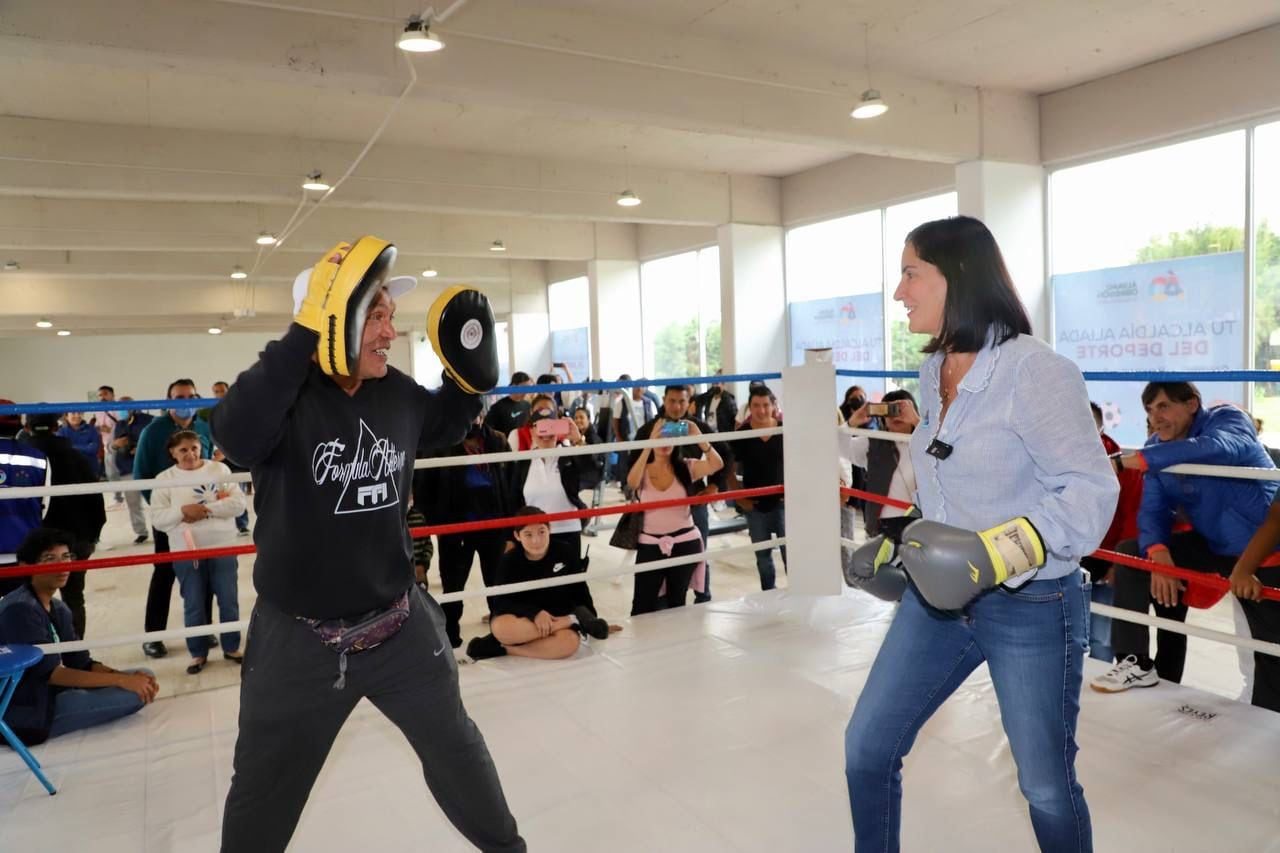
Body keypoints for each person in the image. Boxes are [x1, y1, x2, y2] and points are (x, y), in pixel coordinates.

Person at [210, 237, 524, 852]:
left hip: (399, 625)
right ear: (332, 321)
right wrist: (304, 334)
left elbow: (443, 423)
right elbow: (236, 434)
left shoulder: (395, 391)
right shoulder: (283, 402)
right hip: (298, 642)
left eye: (390, 315)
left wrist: (469, 378)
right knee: (263, 792)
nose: (390, 330)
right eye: (375, 315)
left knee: (458, 752)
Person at [844, 216, 1117, 853]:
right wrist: (904, 542)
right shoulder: (935, 370)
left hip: (1031, 604)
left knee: (1045, 786)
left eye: (910, 274)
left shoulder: (1035, 371)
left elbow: (1089, 495)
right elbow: (950, 478)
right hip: (937, 602)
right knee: (867, 748)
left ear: (958, 277)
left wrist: (994, 554)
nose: (899, 292)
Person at [1093, 382, 1280, 712]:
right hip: (1216, 546)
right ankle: (1135, 661)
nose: (1155, 417)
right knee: (1132, 554)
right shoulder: (1155, 448)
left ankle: (1269, 725)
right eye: (1150, 410)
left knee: (1269, 655)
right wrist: (1158, 553)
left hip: (1265, 551)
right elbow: (1153, 510)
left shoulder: (1228, 419)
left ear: (1192, 404)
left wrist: (1133, 461)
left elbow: (1218, 448)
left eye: (1164, 406)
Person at [0, 527, 157, 745]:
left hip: (51, 692)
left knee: (145, 676)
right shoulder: (19, 609)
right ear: (26, 567)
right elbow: (51, 674)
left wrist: (126, 676)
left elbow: (80, 662)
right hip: (26, 710)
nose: (62, 565)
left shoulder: (58, 607)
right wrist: (122, 681)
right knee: (132, 693)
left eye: (66, 557)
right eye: (50, 559)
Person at [148, 430, 246, 675]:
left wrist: (206, 510)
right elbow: (158, 519)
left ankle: (232, 647)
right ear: (172, 453)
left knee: (229, 600)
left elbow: (238, 504)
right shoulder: (164, 478)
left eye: (194, 448)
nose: (190, 454)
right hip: (185, 551)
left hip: (223, 546)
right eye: (183, 450)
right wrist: (182, 511)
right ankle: (197, 653)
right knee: (193, 603)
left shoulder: (219, 469)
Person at [415, 413, 513, 650]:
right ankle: (449, 640)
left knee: (497, 584)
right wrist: (439, 523)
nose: (473, 418)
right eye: (467, 412)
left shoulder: (498, 440)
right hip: (456, 529)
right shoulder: (440, 443)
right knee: (453, 586)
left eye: (477, 412)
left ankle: (502, 634)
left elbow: (512, 484)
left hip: (493, 526)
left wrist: (511, 529)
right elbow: (423, 487)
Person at [134, 378, 214, 659]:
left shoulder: (203, 428)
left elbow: (209, 467)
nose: (185, 402)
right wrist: (164, 513)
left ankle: (203, 630)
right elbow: (141, 475)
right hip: (168, 520)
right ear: (168, 399)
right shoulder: (153, 432)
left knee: (202, 573)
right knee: (164, 574)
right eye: (179, 397)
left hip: (201, 518)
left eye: (190, 396)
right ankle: (154, 636)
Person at [629, 385, 733, 603]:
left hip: (694, 503)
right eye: (672, 401)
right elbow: (631, 469)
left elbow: (724, 455)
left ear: (689, 402)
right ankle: (661, 605)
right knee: (654, 577)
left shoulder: (697, 428)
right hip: (655, 510)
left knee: (698, 556)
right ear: (664, 400)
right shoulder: (648, 430)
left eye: (682, 401)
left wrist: (715, 485)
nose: (676, 406)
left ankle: (702, 599)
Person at [465, 507, 611, 661]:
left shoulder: (565, 551)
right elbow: (501, 603)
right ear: (517, 536)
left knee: (569, 643)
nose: (536, 540)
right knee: (500, 628)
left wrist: (591, 620)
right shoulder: (509, 560)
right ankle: (573, 620)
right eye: (528, 534)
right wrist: (534, 614)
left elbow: (580, 589)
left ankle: (505, 649)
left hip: (557, 616)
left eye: (542, 532)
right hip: (527, 620)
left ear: (549, 529)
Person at [20, 412, 107, 639]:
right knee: (74, 598)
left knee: (30, 598)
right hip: (75, 539)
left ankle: (41, 651)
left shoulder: (20, 462)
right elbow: (96, 500)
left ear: (27, 428)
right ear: (56, 427)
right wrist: (91, 537)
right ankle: (74, 650)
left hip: (30, 542)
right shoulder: (76, 458)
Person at [842, 389, 919, 538]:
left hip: (922, 527)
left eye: (902, 410)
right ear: (882, 417)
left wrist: (917, 421)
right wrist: (852, 422)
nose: (896, 415)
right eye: (889, 410)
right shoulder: (872, 443)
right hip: (881, 530)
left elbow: (950, 453)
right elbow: (835, 447)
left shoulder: (927, 444)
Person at [732, 385, 787, 590]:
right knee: (763, 557)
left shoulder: (785, 429)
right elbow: (728, 469)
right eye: (756, 405)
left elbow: (801, 462)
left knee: (791, 554)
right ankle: (768, 596)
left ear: (773, 406)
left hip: (783, 503)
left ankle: (798, 596)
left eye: (765, 405)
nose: (761, 410)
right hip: (754, 505)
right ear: (750, 407)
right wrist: (739, 497)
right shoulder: (742, 434)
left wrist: (796, 493)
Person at [0, 401, 49, 599]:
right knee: (22, 611)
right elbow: (45, 506)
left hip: (23, 553)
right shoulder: (38, 458)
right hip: (23, 553)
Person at [110, 398, 154, 545]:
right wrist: (115, 445)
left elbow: (157, 441)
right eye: (119, 408)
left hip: (148, 467)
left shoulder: (148, 420)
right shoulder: (119, 425)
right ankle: (141, 532)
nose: (122, 411)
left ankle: (161, 529)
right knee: (133, 504)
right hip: (126, 468)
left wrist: (141, 448)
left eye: (125, 407)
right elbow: (110, 447)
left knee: (157, 500)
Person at [96, 385, 123, 504]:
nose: (102, 397)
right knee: (110, 473)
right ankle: (118, 498)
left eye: (105, 394)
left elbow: (124, 425)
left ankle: (127, 497)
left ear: (113, 395)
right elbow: (97, 426)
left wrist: (111, 429)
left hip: (119, 445)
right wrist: (99, 428)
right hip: (106, 446)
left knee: (124, 472)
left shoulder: (119, 408)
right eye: (100, 395)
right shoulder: (98, 410)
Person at [484, 371, 533, 436]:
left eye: (528, 389)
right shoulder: (498, 407)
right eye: (523, 388)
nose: (526, 392)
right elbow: (487, 429)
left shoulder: (527, 405)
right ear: (514, 386)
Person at [57, 410, 102, 478]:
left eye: (80, 413)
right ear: (66, 416)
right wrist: (86, 447)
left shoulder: (92, 429)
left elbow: (94, 449)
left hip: (91, 470)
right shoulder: (61, 432)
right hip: (69, 472)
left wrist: (71, 446)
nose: (77, 415)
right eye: (73, 413)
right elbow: (62, 451)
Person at [692, 370, 738, 435]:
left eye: (717, 383)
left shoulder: (728, 400)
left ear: (723, 385)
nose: (714, 386)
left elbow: (734, 419)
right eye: (713, 384)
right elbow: (698, 399)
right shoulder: (709, 397)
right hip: (709, 432)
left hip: (722, 433)